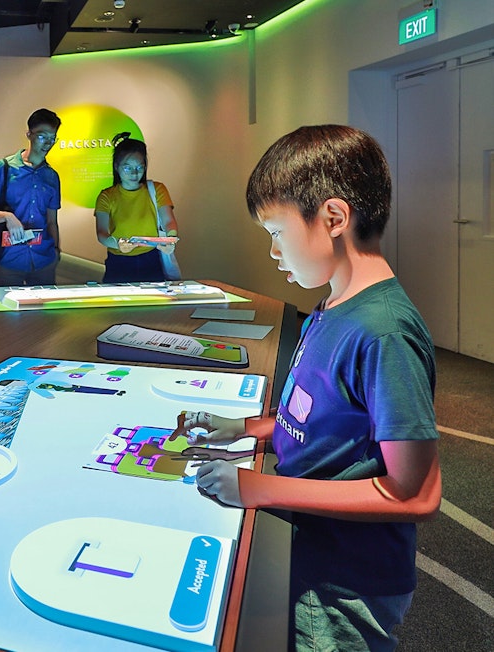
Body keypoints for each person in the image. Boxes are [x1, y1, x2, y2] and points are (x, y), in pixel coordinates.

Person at [172, 125, 441, 651]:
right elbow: (316, 417)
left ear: (334, 219)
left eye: (276, 231)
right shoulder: (331, 305)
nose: (274, 251)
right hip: (309, 547)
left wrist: (257, 488)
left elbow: (417, 492)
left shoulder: (383, 330)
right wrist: (246, 430)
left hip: (344, 584)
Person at [0, 108, 62, 286]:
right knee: (5, 311)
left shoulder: (52, 176)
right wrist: (7, 217)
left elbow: (52, 221)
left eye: (52, 138)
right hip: (9, 258)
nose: (48, 143)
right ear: (29, 134)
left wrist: (56, 251)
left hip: (44, 259)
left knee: (44, 313)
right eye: (42, 136)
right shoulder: (4, 168)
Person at [94, 133, 179, 283]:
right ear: (116, 167)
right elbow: (101, 233)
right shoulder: (107, 196)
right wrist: (118, 244)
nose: (134, 173)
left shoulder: (157, 189)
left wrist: (170, 240)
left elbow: (168, 221)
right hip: (119, 262)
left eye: (139, 167)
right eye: (128, 168)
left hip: (151, 259)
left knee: (154, 303)